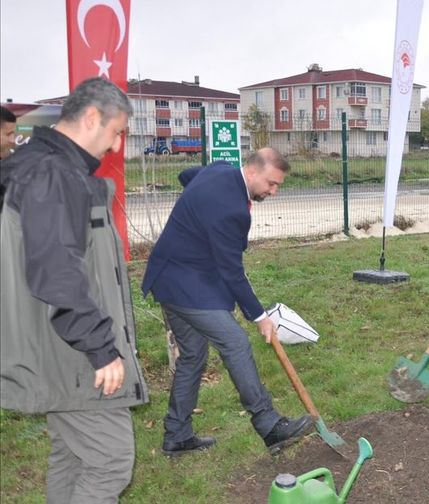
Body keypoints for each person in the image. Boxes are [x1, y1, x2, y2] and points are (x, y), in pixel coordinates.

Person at [0, 77, 149, 503]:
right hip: (71, 349)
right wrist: (101, 347)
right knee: (109, 462)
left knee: (71, 455)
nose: (117, 146)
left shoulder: (33, 163)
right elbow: (56, 269)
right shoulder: (53, 174)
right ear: (90, 117)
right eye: (116, 132)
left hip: (47, 340)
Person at [142, 148, 313, 457]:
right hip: (185, 285)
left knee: (193, 356)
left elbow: (187, 176)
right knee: (235, 342)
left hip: (169, 276)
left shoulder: (220, 170)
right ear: (251, 172)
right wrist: (260, 317)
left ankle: (177, 436)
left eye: (278, 186)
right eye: (271, 184)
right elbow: (232, 273)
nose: (273, 192)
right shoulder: (230, 209)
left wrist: (196, 211)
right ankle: (269, 424)